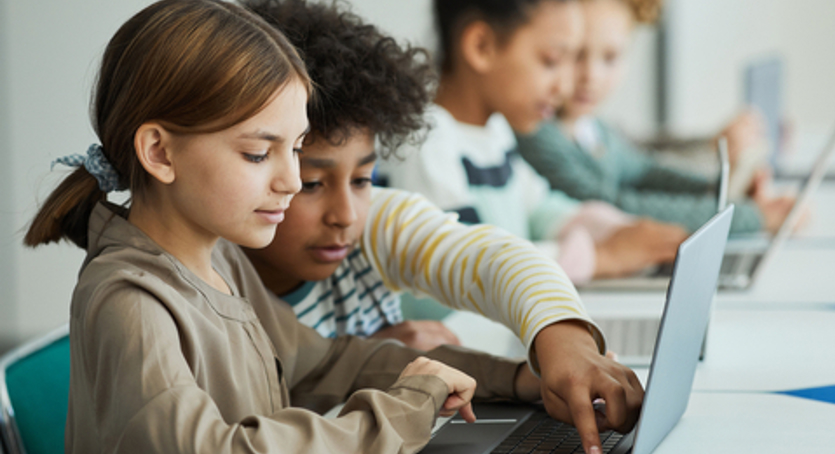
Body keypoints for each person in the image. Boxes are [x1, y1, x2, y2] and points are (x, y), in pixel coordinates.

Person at [23, 1, 550, 452]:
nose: (292, 181)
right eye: (258, 154)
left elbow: (323, 364)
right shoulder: (132, 303)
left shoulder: (220, 260)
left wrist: (516, 379)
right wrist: (403, 408)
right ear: (160, 152)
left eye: (295, 150)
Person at [242, 5, 642, 453]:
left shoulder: (375, 223)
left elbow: (489, 258)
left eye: (362, 180)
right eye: (312, 184)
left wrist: (566, 341)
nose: (345, 214)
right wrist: (365, 360)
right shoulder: (220, 280)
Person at [375, 1, 650, 452]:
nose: (565, 86)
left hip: (492, 333)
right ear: (481, 46)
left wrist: (618, 229)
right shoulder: (426, 139)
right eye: (551, 60)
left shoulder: (496, 133)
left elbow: (543, 207)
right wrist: (597, 257)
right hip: (457, 340)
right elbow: (469, 261)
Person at [515, 0, 796, 234]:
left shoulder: (592, 128)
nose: (591, 76)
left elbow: (646, 171)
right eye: (575, 55)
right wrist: (751, 217)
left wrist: (718, 193)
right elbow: (616, 207)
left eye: (610, 57)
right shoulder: (535, 133)